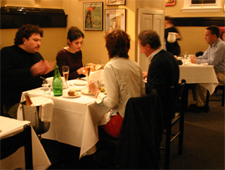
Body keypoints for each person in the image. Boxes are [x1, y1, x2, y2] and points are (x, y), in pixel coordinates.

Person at [88, 29, 145, 138]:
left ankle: (100, 153)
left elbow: (112, 103)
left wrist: (96, 92)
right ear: (127, 46)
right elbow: (142, 93)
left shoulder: (111, 66)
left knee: (92, 121)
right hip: (138, 119)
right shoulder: (135, 65)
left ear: (109, 47)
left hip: (123, 123)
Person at [1, 24, 55, 118]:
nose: (39, 44)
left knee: (57, 110)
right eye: (35, 40)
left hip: (38, 99)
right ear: (24, 40)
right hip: (17, 103)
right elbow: (6, 78)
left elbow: (45, 79)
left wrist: (49, 71)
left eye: (40, 41)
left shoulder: (36, 55)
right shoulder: (7, 53)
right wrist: (31, 72)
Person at [138, 30, 179, 125]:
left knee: (131, 108)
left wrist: (139, 82)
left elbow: (153, 91)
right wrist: (150, 74)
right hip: (171, 102)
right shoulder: (168, 56)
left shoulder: (157, 62)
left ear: (147, 46)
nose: (140, 51)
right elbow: (166, 76)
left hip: (162, 109)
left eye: (141, 47)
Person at [190, 25, 225, 112]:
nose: (204, 37)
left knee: (202, 79)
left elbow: (213, 62)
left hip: (222, 73)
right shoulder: (212, 45)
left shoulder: (221, 46)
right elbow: (204, 57)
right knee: (196, 77)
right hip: (214, 71)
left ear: (214, 36)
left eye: (207, 35)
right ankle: (199, 102)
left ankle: (202, 105)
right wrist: (196, 59)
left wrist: (196, 61)